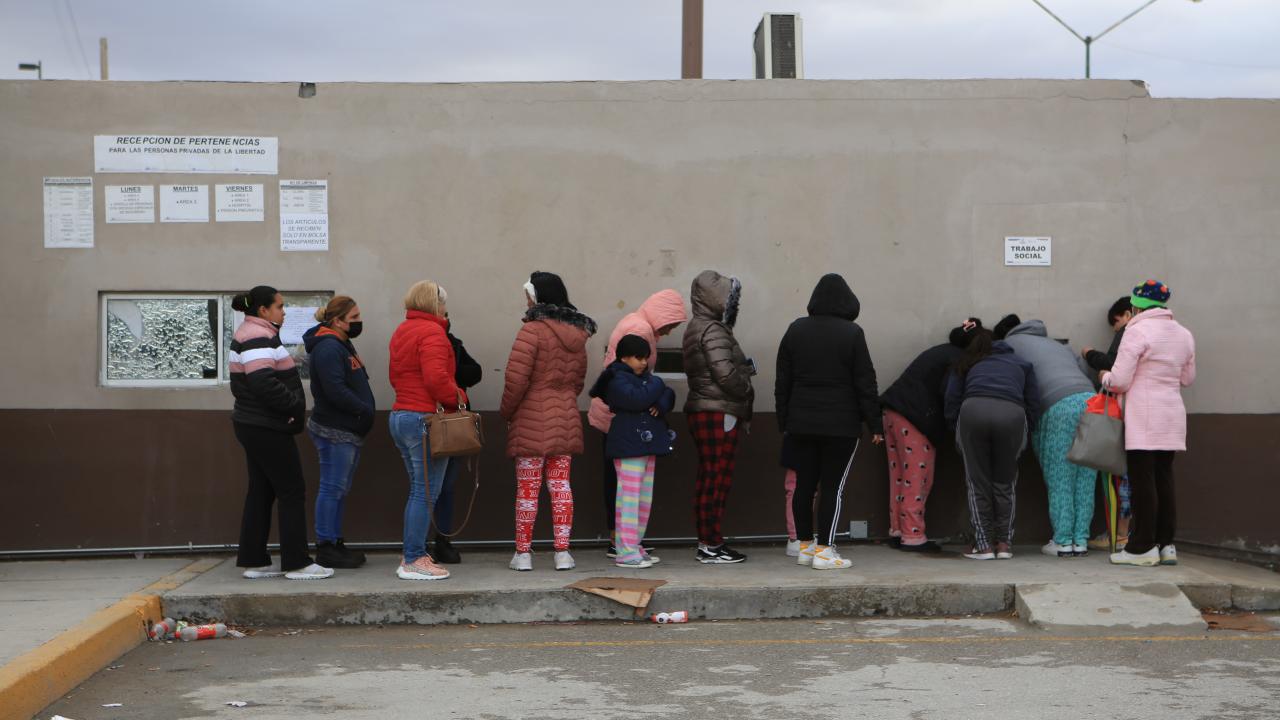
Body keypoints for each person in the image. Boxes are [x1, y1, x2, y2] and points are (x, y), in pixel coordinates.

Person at [775, 274, 883, 570]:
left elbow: (783, 380)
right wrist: (874, 424)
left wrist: (784, 420)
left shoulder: (795, 329)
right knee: (832, 488)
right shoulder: (852, 333)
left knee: (804, 486)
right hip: (841, 424)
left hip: (800, 423)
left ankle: (805, 547)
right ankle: (825, 551)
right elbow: (865, 382)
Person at [229, 286, 332, 580]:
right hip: (266, 425)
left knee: (261, 490)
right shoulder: (257, 335)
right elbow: (262, 382)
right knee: (291, 490)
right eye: (279, 306)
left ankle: (255, 560)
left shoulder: (253, 332)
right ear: (263, 310)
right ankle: (297, 562)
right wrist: (293, 405)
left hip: (255, 424)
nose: (283, 312)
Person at [501, 271, 596, 572]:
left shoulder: (531, 331)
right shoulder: (578, 335)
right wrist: (562, 400)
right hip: (566, 416)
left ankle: (523, 554)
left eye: (528, 295)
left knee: (528, 489)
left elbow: (516, 380)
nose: (526, 302)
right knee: (561, 486)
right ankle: (563, 553)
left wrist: (507, 412)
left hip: (531, 416)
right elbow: (578, 381)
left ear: (536, 297)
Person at [586, 289, 687, 557]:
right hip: (626, 426)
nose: (669, 331)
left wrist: (660, 396)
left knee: (630, 489)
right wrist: (658, 387)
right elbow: (637, 392)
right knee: (627, 491)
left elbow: (649, 388)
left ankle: (627, 542)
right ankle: (623, 545)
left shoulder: (637, 323)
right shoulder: (639, 330)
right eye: (670, 324)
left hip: (628, 424)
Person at [1103, 280, 1195, 567]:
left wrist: (1105, 377)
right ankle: (1166, 545)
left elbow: (1120, 380)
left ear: (1136, 306)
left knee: (1142, 481)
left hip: (1144, 416)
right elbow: (1187, 378)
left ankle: (1141, 547)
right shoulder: (1183, 334)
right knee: (1164, 478)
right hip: (1172, 414)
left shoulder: (1137, 331)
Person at [879, 318, 983, 553]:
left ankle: (898, 530)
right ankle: (913, 535)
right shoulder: (958, 360)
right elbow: (949, 395)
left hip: (892, 411)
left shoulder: (940, 352)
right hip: (916, 418)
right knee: (918, 477)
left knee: (900, 477)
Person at [1002, 318, 1099, 558]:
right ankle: (1080, 540)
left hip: (1058, 405)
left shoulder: (1010, 344)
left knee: (1061, 476)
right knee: (1086, 477)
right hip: (1091, 401)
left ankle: (1063, 541)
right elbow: (1086, 371)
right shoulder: (1058, 345)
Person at [388, 280, 461, 581]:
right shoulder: (432, 332)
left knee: (419, 490)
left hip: (401, 416)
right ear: (434, 303)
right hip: (424, 419)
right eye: (443, 303)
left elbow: (396, 376)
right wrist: (458, 398)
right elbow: (436, 379)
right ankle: (414, 558)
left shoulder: (402, 330)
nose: (445, 308)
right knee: (425, 492)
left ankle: (412, 554)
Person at [944, 329, 1039, 560]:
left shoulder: (967, 362)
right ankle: (1004, 545)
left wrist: (956, 428)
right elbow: (1033, 402)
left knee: (978, 483)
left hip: (973, 412)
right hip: (1012, 415)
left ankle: (984, 546)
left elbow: (952, 398)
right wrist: (1027, 431)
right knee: (1005, 483)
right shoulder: (1022, 364)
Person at [683, 270, 755, 564]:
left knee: (709, 476)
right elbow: (725, 374)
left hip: (706, 408)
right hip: (719, 410)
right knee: (717, 478)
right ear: (716, 298)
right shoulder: (713, 329)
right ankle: (711, 544)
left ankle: (708, 542)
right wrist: (745, 385)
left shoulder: (698, 326)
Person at [302, 296, 375, 570]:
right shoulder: (328, 348)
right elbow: (334, 390)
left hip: (347, 429)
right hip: (335, 430)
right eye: (353, 317)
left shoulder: (341, 343)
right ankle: (326, 546)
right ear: (337, 321)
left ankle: (335, 540)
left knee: (339, 489)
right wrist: (363, 410)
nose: (359, 321)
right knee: (332, 488)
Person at [429, 315, 483, 565]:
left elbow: (475, 372)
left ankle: (443, 539)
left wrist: (453, 372)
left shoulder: (454, 343)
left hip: (455, 424)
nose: (446, 319)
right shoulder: (426, 341)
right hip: (433, 421)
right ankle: (421, 544)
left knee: (447, 486)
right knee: (429, 488)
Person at [1083, 296, 1134, 552]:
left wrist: (1090, 355)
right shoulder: (1169, 335)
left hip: (1125, 414)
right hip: (1157, 420)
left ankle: (1119, 534)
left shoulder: (1129, 332)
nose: (1115, 329)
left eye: (1115, 322)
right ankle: (1130, 534)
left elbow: (1113, 366)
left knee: (1121, 477)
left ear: (1126, 315)